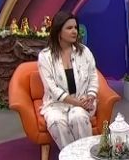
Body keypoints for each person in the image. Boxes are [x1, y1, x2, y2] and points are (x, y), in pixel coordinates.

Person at [37, 11, 98, 150]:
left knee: (78, 116)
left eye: (75, 27)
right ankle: (71, 157)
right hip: (56, 104)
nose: (74, 31)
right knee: (56, 121)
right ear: (59, 31)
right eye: (69, 28)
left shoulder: (84, 52)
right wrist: (76, 102)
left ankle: (86, 154)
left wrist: (90, 96)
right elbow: (52, 88)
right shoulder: (45, 56)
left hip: (83, 100)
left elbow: (93, 76)